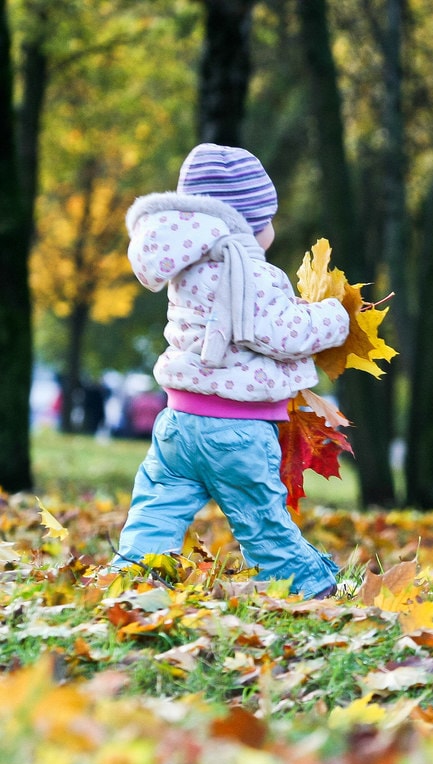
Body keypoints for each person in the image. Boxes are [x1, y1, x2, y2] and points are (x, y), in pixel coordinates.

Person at [111, 143, 349, 599]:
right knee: (261, 521)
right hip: (236, 431)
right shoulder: (249, 270)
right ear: (249, 222)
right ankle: (310, 586)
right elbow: (280, 333)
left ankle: (132, 581)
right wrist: (333, 318)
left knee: (157, 507)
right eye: (268, 219)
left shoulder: (189, 268)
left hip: (179, 423)